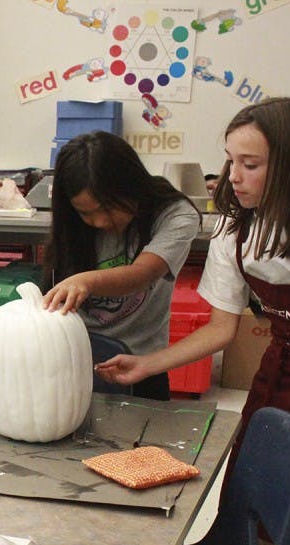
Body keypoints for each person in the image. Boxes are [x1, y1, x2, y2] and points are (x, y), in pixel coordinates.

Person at [96, 97, 290, 545]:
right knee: (252, 512)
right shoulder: (236, 228)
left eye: (251, 164)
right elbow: (222, 328)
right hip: (278, 373)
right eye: (231, 160)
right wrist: (147, 364)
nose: (234, 176)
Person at [42, 130, 201, 400]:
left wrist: (87, 281)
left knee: (144, 442)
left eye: (108, 208)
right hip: (72, 359)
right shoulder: (72, 225)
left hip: (140, 365)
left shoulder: (175, 215)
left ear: (131, 185)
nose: (101, 222)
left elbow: (143, 274)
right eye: (85, 213)